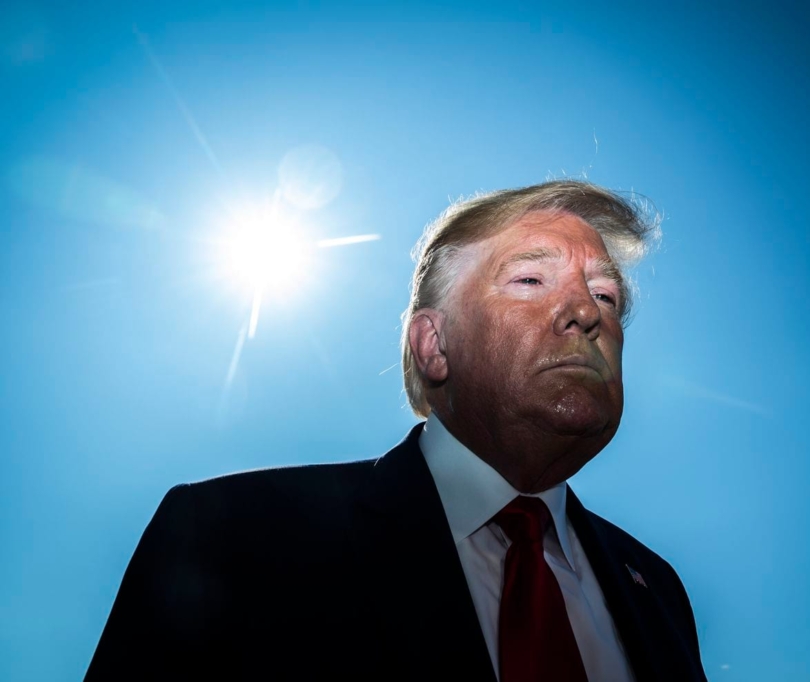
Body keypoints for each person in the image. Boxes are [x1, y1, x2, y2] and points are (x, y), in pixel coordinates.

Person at [85, 180, 708, 681]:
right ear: (434, 346)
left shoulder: (657, 591)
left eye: (605, 296)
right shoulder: (226, 533)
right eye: (529, 280)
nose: (584, 312)